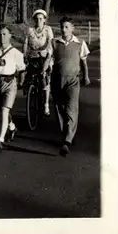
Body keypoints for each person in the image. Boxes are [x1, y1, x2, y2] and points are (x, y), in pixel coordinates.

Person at [50, 17, 90, 156]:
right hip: (56, 80)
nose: (63, 29)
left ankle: (67, 141)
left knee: (72, 109)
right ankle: (65, 134)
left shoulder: (80, 43)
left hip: (73, 81)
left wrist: (86, 76)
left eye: (67, 27)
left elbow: (84, 62)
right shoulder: (54, 42)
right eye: (62, 26)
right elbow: (49, 59)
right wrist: (45, 69)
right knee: (60, 108)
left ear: (72, 28)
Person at [0, 24, 26, 152]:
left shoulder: (16, 53)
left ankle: (0, 139)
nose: (2, 37)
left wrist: (21, 82)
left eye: (4, 34)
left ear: (10, 36)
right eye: (0, 34)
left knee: (4, 109)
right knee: (1, 110)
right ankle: (12, 127)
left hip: (10, 82)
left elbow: (22, 69)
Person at [23, 9, 54, 116]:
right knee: (28, 76)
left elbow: (50, 43)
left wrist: (48, 56)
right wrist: (24, 55)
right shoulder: (30, 30)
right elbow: (26, 43)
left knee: (45, 78)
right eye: (36, 19)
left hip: (44, 57)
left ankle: (46, 105)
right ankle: (29, 92)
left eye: (41, 19)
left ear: (44, 20)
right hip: (33, 56)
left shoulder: (48, 30)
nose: (38, 21)